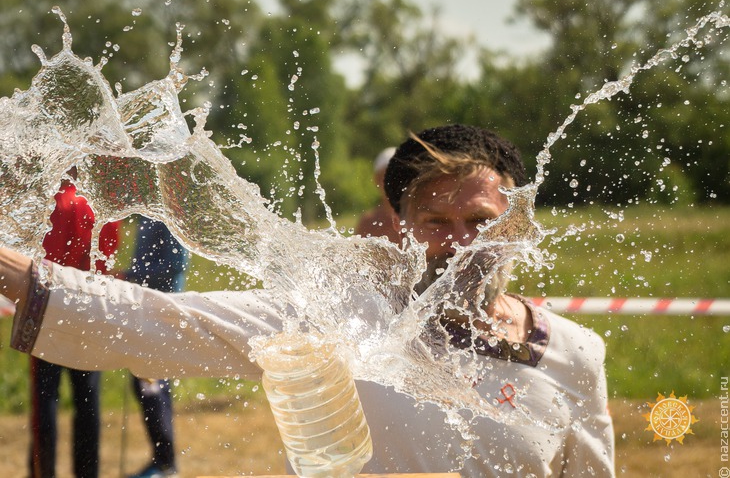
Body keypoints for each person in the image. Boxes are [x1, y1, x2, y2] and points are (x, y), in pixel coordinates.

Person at [1, 124, 615, 477]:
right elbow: (157, 322)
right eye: (435, 220)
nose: (458, 245)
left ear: (514, 226)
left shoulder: (575, 354)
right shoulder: (340, 317)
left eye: (479, 221)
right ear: (400, 225)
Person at [30, 176, 120, 478]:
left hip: (48, 308)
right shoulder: (102, 203)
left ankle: (43, 472)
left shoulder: (52, 200)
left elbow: (42, 259)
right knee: (87, 399)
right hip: (90, 307)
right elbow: (106, 260)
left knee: (45, 398)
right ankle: (87, 472)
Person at [123, 217, 188, 478]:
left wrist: (130, 276)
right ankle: (160, 459)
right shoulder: (146, 219)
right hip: (145, 313)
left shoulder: (170, 219)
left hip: (163, 313)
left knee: (154, 388)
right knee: (144, 386)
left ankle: (165, 464)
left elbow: (175, 265)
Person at [355, 147, 401, 243]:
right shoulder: (368, 224)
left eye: (398, 176)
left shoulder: (421, 218)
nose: (393, 182)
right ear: (376, 180)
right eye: (387, 177)